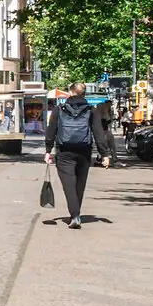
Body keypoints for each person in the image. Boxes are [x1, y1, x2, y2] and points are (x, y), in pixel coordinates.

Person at [45, 81, 112, 228]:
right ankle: (76, 214)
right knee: (79, 185)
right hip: (84, 151)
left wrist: (48, 150)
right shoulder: (91, 110)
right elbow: (98, 133)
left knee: (68, 185)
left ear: (70, 92)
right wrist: (104, 154)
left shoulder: (59, 109)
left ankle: (75, 215)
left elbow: (51, 131)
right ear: (84, 93)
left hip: (64, 151)